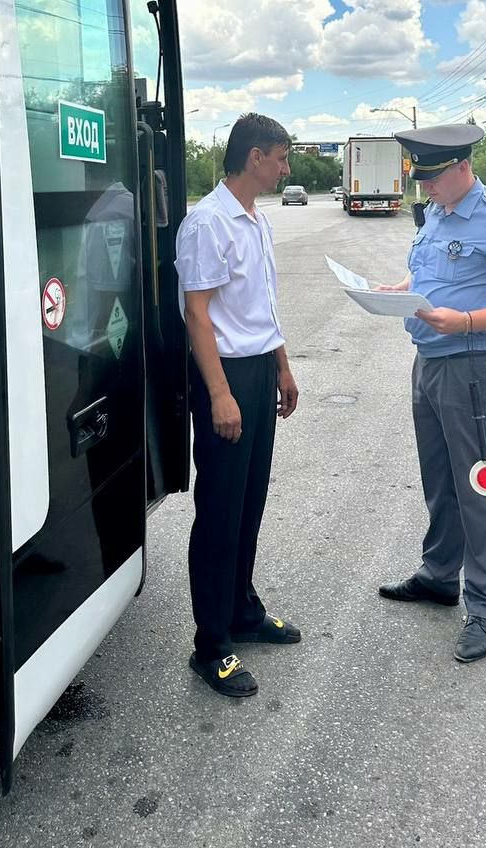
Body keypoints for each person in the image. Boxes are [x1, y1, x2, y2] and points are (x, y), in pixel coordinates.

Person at [377, 124, 486, 663]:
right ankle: (440, 575)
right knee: (440, 478)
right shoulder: (440, 215)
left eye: (430, 180)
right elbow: (430, 276)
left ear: (458, 169)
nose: (423, 190)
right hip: (427, 362)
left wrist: (468, 320)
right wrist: (396, 291)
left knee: (480, 485)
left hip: (471, 365)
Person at [175, 113, 301, 697]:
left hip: (257, 371)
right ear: (255, 158)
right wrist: (221, 394)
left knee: (250, 503)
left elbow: (262, 305)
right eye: (280, 158)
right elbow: (197, 313)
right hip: (222, 377)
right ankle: (212, 645)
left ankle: (243, 612)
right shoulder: (208, 222)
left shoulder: (256, 220)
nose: (285, 168)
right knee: (221, 512)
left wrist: (281, 366)